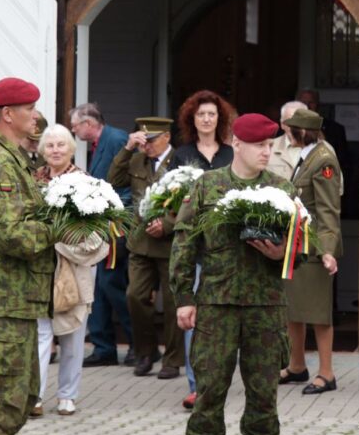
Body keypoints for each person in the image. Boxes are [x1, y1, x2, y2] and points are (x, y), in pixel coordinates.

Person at [170, 113, 294, 435]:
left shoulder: (282, 189)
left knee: (263, 398)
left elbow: (301, 248)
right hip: (217, 305)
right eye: (259, 145)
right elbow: (184, 242)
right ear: (236, 144)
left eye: (270, 145)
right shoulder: (207, 185)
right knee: (209, 394)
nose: (267, 152)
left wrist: (283, 253)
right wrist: (183, 297)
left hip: (265, 307)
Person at [0, 77, 57, 435]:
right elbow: (13, 235)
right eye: (29, 109)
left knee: (20, 400)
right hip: (5, 300)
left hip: (18, 300)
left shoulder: (13, 157)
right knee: (0, 406)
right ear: (8, 114)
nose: (36, 116)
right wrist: (60, 225)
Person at [34, 123, 103, 417]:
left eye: (61, 144)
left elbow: (94, 227)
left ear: (71, 149)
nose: (55, 150)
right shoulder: (34, 179)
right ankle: (34, 396)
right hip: (41, 264)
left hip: (75, 264)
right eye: (50, 145)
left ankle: (67, 395)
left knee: (73, 332)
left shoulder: (85, 181)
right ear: (42, 151)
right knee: (41, 333)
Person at [172, 90, 236, 409]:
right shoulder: (181, 154)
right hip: (195, 246)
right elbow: (169, 196)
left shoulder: (230, 154)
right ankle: (196, 385)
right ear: (192, 120)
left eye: (212, 114)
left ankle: (217, 380)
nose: (207, 119)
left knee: (223, 318)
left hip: (226, 248)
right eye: (201, 115)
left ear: (219, 119)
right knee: (192, 314)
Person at [108, 117, 183, 379]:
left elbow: (191, 201)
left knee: (174, 304)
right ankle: (146, 352)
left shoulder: (180, 161)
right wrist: (128, 148)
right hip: (141, 242)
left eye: (151, 140)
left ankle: (173, 360)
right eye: (143, 139)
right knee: (135, 296)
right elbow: (114, 179)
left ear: (166, 138)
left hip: (170, 243)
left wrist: (169, 224)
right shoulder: (137, 160)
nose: (147, 145)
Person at [278, 109, 343, 395]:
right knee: (295, 308)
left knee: (318, 313)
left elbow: (329, 210)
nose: (287, 132)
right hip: (298, 246)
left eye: (291, 128)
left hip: (315, 248)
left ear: (303, 132)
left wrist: (327, 251)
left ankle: (326, 373)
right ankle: (297, 365)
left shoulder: (323, 160)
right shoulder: (307, 157)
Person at [69, 103, 135, 368]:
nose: (73, 131)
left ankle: (137, 344)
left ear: (88, 123)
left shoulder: (117, 139)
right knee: (98, 286)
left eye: (75, 126)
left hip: (115, 224)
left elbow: (128, 182)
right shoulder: (99, 144)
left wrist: (113, 212)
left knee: (111, 284)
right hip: (100, 224)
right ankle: (104, 346)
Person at [266, 100, 307, 180]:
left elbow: (333, 188)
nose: (294, 127)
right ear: (282, 124)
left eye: (299, 121)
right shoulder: (268, 148)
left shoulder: (322, 149)